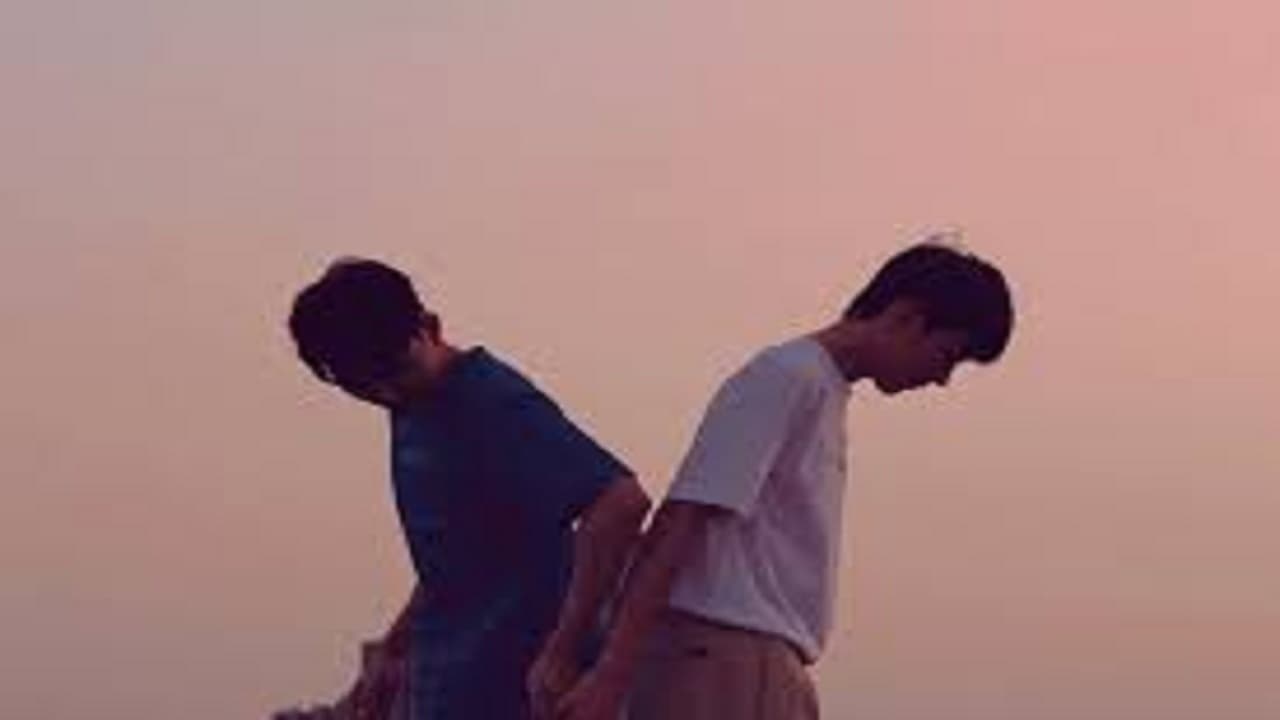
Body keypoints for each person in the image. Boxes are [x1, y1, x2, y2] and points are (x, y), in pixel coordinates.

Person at [554, 239, 1016, 720]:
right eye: (947, 355)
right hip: (726, 659)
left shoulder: (821, 389)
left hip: (752, 662)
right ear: (907, 318)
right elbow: (681, 520)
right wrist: (612, 672)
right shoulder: (787, 377)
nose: (941, 378)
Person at [287, 258, 651, 720]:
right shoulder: (412, 405)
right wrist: (393, 651)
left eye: (397, 373)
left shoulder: (493, 403)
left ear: (430, 326)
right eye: (366, 388)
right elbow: (458, 557)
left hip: (517, 690)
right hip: (450, 685)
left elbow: (620, 502)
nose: (389, 395)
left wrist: (563, 651)